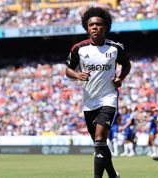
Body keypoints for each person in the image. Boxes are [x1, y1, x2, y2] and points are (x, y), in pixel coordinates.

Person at [65, 7, 131, 178]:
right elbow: (67, 70)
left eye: (98, 24)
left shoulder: (116, 48)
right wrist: (77, 74)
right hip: (89, 102)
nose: (95, 27)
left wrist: (120, 78)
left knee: (100, 139)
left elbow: (127, 65)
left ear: (105, 27)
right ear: (87, 28)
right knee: (98, 144)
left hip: (108, 98)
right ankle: (113, 175)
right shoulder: (79, 49)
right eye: (91, 24)